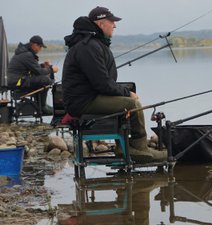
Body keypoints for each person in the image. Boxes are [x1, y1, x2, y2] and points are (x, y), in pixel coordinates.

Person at [62, 6, 166, 162]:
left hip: (88, 97)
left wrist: (121, 91)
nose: (115, 26)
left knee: (126, 101)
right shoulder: (88, 46)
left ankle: (125, 147)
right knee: (132, 103)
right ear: (101, 23)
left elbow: (103, 81)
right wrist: (126, 93)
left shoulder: (93, 43)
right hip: (83, 102)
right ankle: (141, 149)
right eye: (112, 22)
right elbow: (102, 83)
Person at [7, 35, 59, 115]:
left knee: (44, 78)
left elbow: (34, 69)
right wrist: (51, 69)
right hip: (17, 82)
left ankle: (41, 105)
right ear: (34, 45)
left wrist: (42, 65)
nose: (40, 49)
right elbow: (39, 72)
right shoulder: (27, 55)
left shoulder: (24, 53)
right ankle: (42, 106)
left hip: (18, 80)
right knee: (45, 80)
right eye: (40, 47)